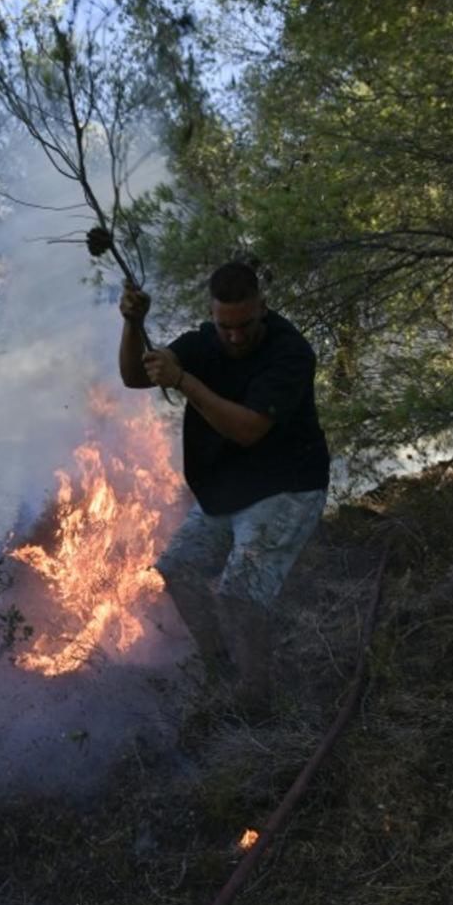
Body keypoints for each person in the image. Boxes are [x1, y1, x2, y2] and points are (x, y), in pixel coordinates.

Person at [118, 262, 330, 712]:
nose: (234, 336)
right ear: (213, 316)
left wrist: (184, 381)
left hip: (287, 487)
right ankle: (221, 668)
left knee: (240, 594)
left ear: (263, 309)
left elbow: (249, 428)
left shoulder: (290, 352)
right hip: (227, 492)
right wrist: (134, 325)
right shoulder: (203, 343)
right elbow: (136, 376)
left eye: (245, 325)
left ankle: (255, 701)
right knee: (178, 569)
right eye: (224, 326)